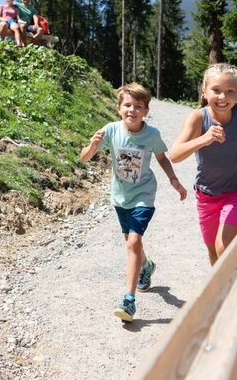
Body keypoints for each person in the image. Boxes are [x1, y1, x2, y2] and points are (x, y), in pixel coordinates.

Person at [80, 83, 187, 323]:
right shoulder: (110, 130)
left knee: (133, 242)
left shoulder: (152, 135)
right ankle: (146, 266)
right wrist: (93, 146)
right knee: (132, 244)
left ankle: (128, 300)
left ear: (146, 110)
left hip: (143, 195)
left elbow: (162, 157)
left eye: (138, 106)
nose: (132, 110)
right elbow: (84, 157)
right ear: (119, 108)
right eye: (127, 105)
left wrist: (173, 180)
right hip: (120, 196)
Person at [169, 63, 237, 265]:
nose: (223, 97)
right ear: (204, 91)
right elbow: (174, 155)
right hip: (206, 196)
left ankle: (235, 291)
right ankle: (221, 294)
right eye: (216, 90)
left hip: (235, 192)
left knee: (223, 246)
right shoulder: (198, 118)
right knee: (213, 252)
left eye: (230, 91)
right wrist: (204, 139)